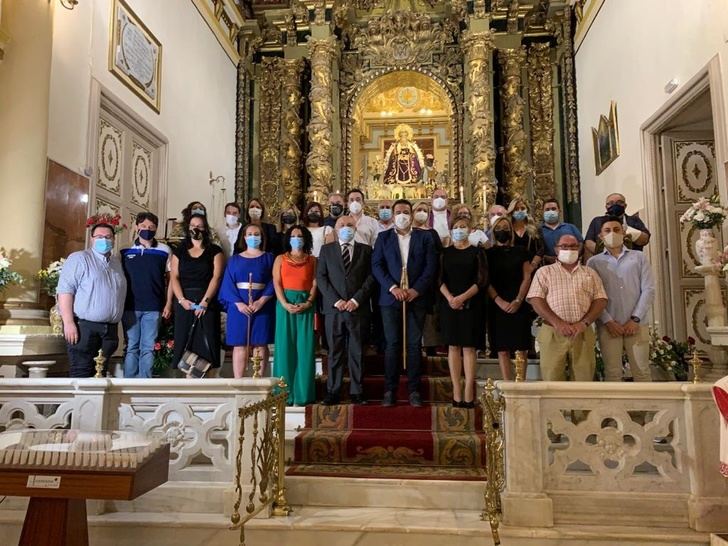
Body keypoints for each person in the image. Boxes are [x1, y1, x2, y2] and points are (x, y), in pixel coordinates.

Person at [372, 199, 438, 407]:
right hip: (390, 299)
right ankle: (390, 390)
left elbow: (431, 267)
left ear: (411, 215)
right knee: (391, 344)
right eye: (398, 212)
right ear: (392, 216)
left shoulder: (424, 237)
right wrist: (394, 288)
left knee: (413, 344)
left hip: (416, 298)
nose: (402, 215)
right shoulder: (383, 238)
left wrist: (415, 290)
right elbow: (376, 265)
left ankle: (414, 390)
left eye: (406, 212)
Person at [526, 234, 608, 381]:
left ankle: (581, 405)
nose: (569, 249)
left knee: (584, 380)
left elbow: (600, 300)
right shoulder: (544, 272)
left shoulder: (590, 273)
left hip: (582, 332)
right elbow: (536, 299)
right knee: (552, 380)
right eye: (564, 246)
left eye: (573, 246)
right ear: (556, 249)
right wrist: (558, 323)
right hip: (553, 332)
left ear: (579, 249)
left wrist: (583, 323)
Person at [587, 217, 655, 382]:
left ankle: (644, 408)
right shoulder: (593, 262)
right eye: (607, 231)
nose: (612, 233)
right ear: (600, 236)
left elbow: (648, 289)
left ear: (624, 233)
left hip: (637, 324)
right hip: (609, 326)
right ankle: (614, 409)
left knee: (642, 371)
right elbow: (592, 296)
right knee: (613, 373)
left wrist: (635, 319)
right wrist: (608, 321)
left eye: (616, 230)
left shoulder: (639, 257)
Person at [317, 215, 375, 405]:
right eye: (342, 225)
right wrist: (336, 301)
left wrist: (356, 300)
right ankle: (333, 391)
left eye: (350, 225)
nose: (346, 227)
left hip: (358, 308)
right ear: (335, 228)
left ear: (356, 227)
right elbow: (322, 278)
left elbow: (370, 278)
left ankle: (357, 391)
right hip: (334, 310)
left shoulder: (366, 250)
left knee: (357, 351)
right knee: (335, 351)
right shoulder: (326, 250)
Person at [57, 222, 127, 377]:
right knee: (82, 372)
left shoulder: (116, 263)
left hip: (109, 330)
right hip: (84, 327)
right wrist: (68, 322)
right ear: (91, 239)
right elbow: (65, 291)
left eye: (108, 237)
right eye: (100, 237)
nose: (104, 240)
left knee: (101, 374)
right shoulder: (79, 258)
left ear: (114, 240)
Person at [439, 217, 488, 407]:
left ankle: (468, 388)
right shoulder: (445, 253)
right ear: (451, 231)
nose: (459, 230)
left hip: (471, 304)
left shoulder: (477, 252)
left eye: (463, 227)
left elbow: (481, 279)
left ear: (470, 229)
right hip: (449, 304)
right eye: (456, 227)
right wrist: (451, 298)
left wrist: (462, 298)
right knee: (453, 347)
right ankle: (456, 390)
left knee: (468, 347)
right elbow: (439, 279)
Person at [170, 213, 225, 375]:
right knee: (184, 342)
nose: (196, 228)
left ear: (205, 229)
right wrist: (181, 300)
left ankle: (208, 382)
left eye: (200, 226)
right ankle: (187, 383)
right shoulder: (179, 251)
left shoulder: (215, 251)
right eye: (193, 225)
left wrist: (205, 302)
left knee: (207, 341)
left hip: (207, 301)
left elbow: (216, 277)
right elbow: (174, 277)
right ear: (188, 228)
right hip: (184, 302)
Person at [219, 223, 275, 378]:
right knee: (240, 343)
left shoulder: (269, 258)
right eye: (249, 234)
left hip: (262, 305)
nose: (253, 237)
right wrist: (239, 304)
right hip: (239, 307)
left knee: (260, 343)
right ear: (244, 237)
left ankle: (259, 381)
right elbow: (228, 283)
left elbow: (273, 281)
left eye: (256, 234)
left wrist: (261, 301)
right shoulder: (234, 260)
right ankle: (239, 382)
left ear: (262, 237)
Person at [120, 212, 172, 378]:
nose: (146, 230)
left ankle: (145, 383)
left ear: (156, 229)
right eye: (143, 227)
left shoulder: (164, 250)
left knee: (148, 347)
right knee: (132, 346)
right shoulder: (125, 251)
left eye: (151, 227)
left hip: (154, 306)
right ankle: (128, 384)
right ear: (137, 227)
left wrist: (168, 304)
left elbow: (171, 280)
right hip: (130, 306)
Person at [273, 225, 317, 405]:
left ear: (306, 239)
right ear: (288, 239)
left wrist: (308, 302)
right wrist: (284, 303)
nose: (297, 238)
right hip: (285, 304)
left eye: (300, 236)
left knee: (304, 348)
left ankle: (303, 394)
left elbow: (315, 283)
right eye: (293, 236)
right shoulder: (280, 259)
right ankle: (284, 394)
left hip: (305, 304)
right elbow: (276, 282)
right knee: (285, 347)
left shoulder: (313, 260)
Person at [486, 217, 533, 380]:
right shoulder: (488, 254)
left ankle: (520, 382)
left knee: (521, 347)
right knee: (502, 347)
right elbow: (485, 280)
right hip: (497, 304)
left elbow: (527, 277)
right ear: (493, 231)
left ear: (511, 231)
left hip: (518, 302)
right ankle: (508, 384)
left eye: (505, 227)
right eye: (498, 228)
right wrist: (499, 300)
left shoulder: (521, 251)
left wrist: (518, 300)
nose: (502, 231)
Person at [413, 200, 444, 354]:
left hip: (429, 282)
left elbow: (439, 257)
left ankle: (431, 347)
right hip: (411, 281)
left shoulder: (432, 233)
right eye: (419, 209)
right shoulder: (407, 231)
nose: (422, 213)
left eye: (425, 210)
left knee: (429, 316)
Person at [584, 193, 651, 256]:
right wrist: (605, 253)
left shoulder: (633, 220)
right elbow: (588, 242)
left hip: (631, 260)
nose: (615, 205)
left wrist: (630, 232)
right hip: (604, 262)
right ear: (606, 206)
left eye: (619, 202)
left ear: (625, 205)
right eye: (611, 203)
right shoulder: (597, 221)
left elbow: (645, 239)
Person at [540, 198, 583, 264]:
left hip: (570, 263)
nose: (550, 211)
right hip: (546, 265)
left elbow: (580, 243)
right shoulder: (538, 230)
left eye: (553, 209)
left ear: (559, 211)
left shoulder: (571, 227)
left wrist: (574, 256)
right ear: (542, 212)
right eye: (547, 210)